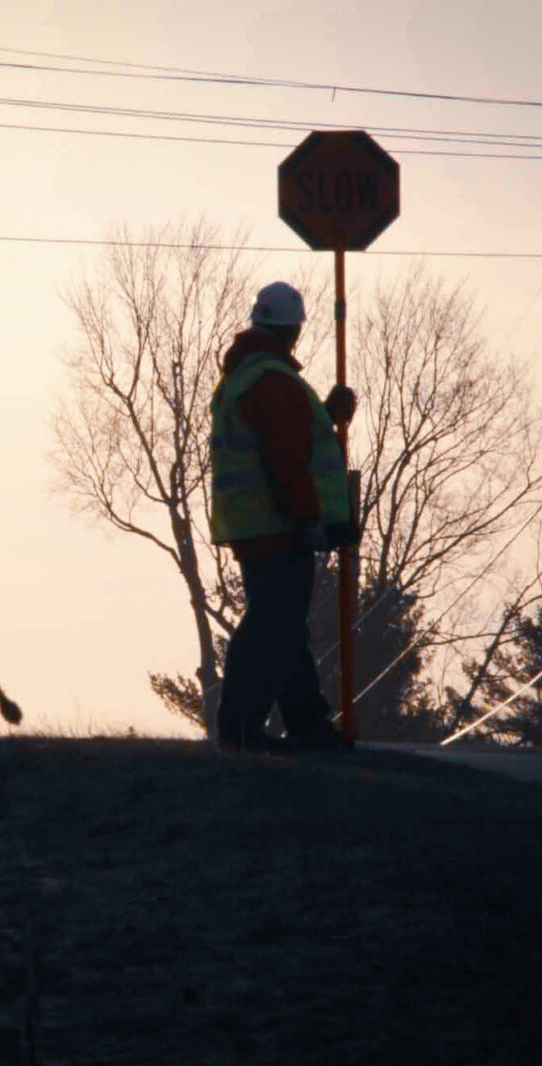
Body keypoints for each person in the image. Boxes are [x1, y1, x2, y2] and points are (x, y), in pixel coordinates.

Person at [210, 281, 357, 752]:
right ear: (293, 330)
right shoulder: (273, 381)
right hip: (279, 525)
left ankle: (306, 722)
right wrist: (310, 519)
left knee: (283, 626)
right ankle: (241, 726)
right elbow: (288, 458)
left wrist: (329, 416)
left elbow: (289, 439)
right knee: (273, 626)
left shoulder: (246, 377)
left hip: (256, 525)